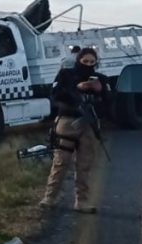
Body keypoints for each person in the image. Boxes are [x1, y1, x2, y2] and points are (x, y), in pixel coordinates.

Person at [39, 47, 110, 214]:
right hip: (68, 122)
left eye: (92, 62)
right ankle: (49, 197)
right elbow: (55, 95)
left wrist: (101, 90)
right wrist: (77, 89)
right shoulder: (66, 75)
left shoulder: (100, 79)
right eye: (85, 61)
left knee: (84, 165)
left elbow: (108, 104)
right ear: (78, 60)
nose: (88, 65)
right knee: (61, 162)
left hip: (89, 125)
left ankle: (82, 201)